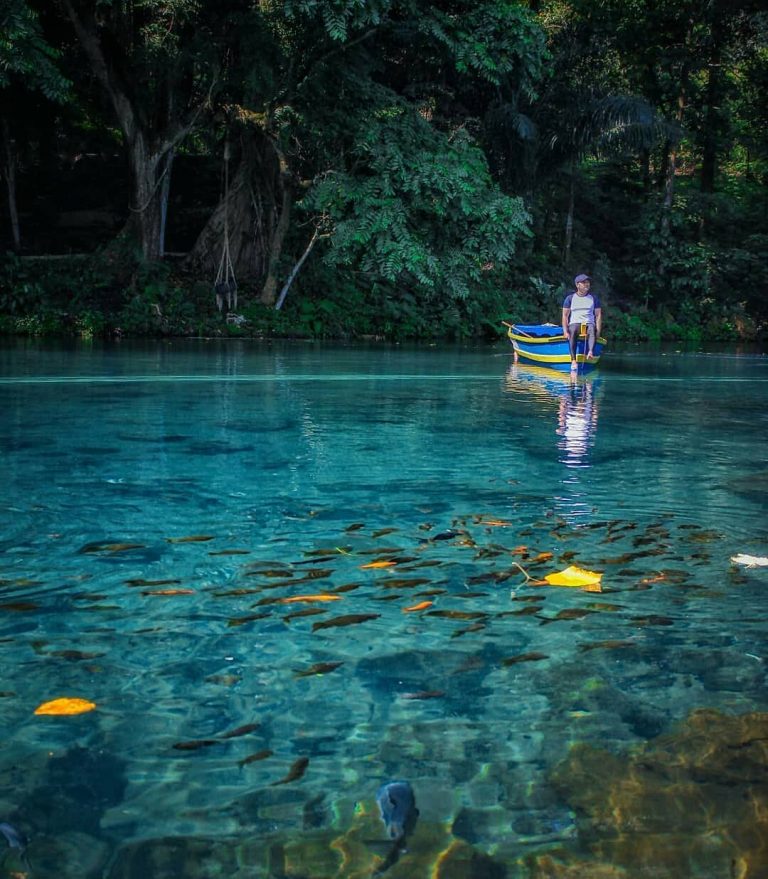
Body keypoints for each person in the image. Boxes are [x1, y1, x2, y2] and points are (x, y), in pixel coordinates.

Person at [562, 273, 602, 371]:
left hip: (588, 323)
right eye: (584, 283)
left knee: (592, 329)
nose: (586, 284)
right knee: (573, 330)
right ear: (577, 285)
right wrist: (565, 331)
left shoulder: (594, 298)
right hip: (575, 323)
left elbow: (598, 315)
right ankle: (573, 360)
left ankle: (590, 352)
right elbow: (565, 315)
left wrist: (599, 331)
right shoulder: (570, 298)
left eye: (587, 282)